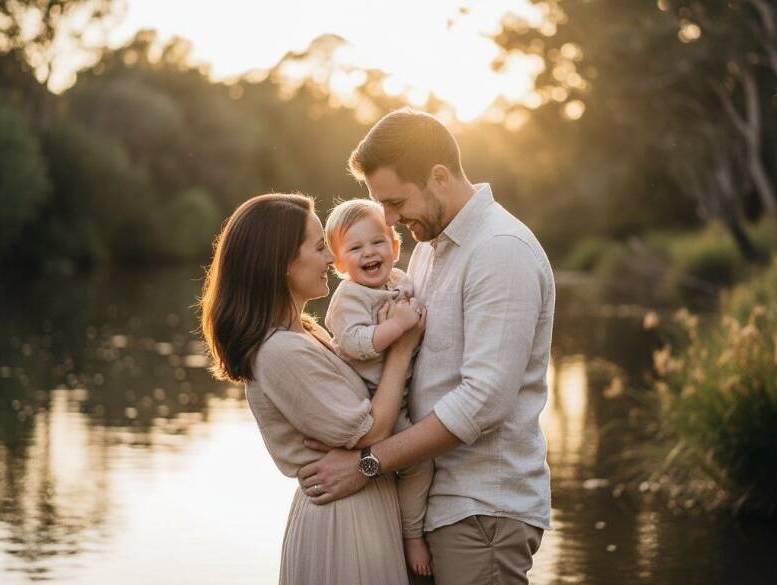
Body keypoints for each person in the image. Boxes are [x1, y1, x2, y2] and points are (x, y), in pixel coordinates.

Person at [297, 109, 556, 585]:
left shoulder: (500, 250)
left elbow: (482, 403)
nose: (390, 220)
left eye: (395, 202)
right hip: (431, 503)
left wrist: (367, 465)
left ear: (438, 176)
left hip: (482, 511)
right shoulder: (430, 250)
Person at [199, 193, 425, 585]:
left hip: (364, 509)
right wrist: (401, 349)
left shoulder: (305, 331)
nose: (329, 260)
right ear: (283, 263)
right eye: (320, 247)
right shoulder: (278, 351)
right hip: (343, 522)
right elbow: (371, 431)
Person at [324, 199, 435, 576]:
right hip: (372, 402)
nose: (368, 253)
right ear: (339, 264)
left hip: (401, 397)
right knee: (418, 459)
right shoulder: (348, 298)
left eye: (377, 242)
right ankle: (411, 534)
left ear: (395, 247)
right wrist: (397, 327)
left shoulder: (402, 281)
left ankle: (405, 526)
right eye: (354, 249)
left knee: (419, 464)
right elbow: (354, 342)